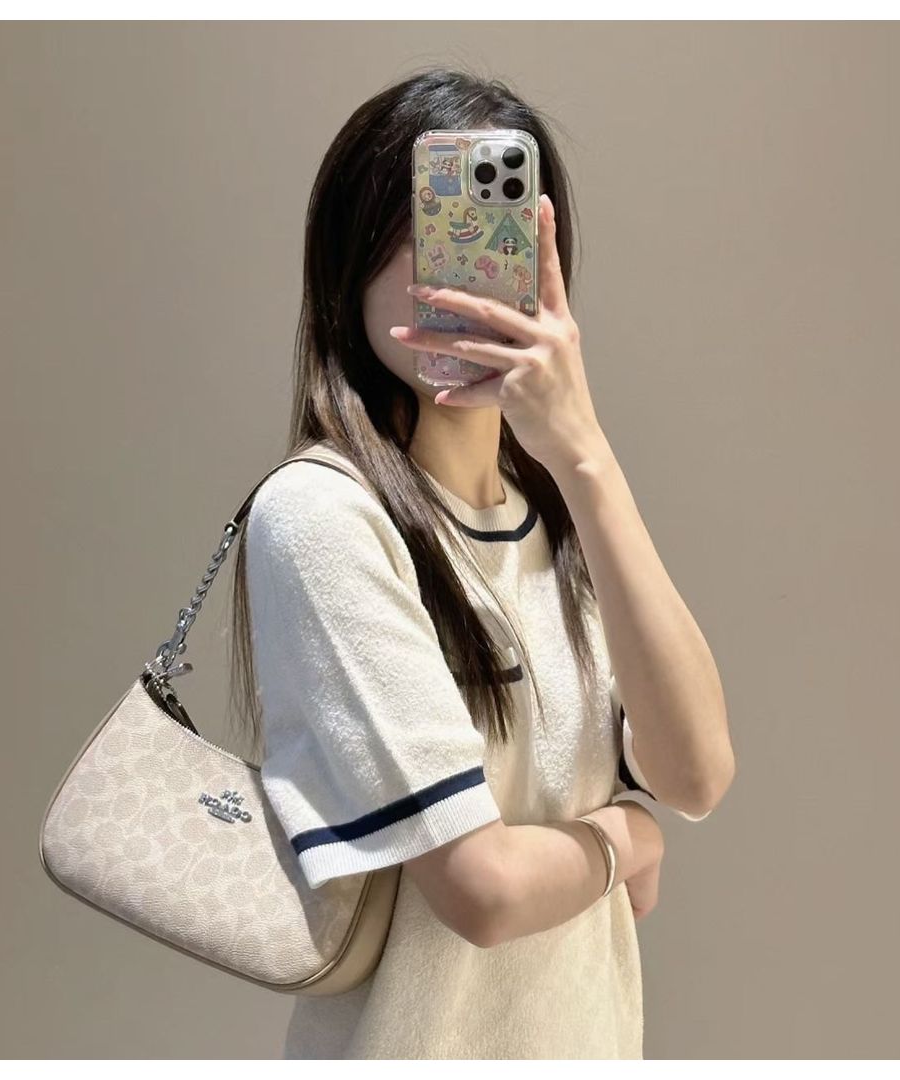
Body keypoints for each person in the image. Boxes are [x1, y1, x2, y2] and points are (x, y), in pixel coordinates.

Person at [228, 67, 735, 1060]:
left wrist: (586, 458)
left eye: (490, 233)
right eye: (424, 226)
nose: (457, 269)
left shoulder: (565, 521)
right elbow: (483, 890)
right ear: (347, 265)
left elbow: (697, 771)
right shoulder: (325, 515)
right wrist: (625, 839)